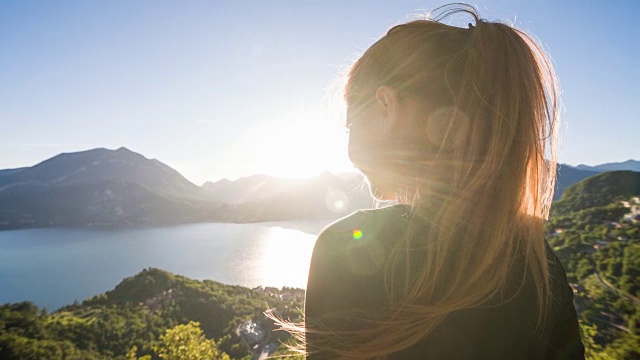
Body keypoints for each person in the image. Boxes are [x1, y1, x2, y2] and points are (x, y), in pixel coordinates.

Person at [302, 4, 585, 360]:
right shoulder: (540, 267)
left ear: (386, 106)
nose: (349, 143)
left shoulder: (346, 251)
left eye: (350, 124)